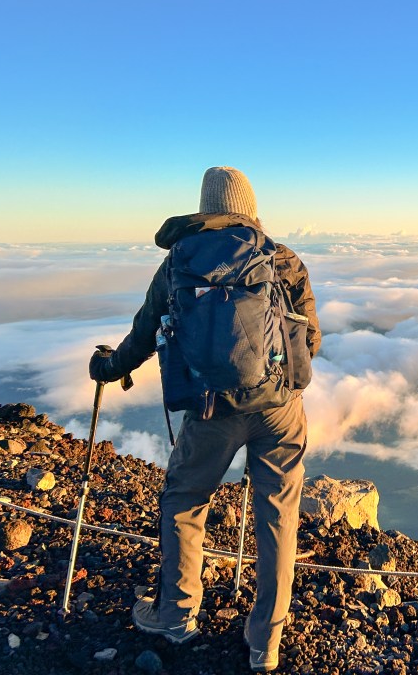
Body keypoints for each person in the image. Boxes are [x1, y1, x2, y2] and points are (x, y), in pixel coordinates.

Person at [89, 167, 321, 672]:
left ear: (206, 206)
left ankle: (175, 615)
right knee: (278, 515)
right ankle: (267, 643)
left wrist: (108, 368)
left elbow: (145, 332)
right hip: (279, 410)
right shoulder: (281, 258)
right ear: (249, 206)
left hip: (212, 411)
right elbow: (311, 340)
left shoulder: (179, 260)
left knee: (185, 499)